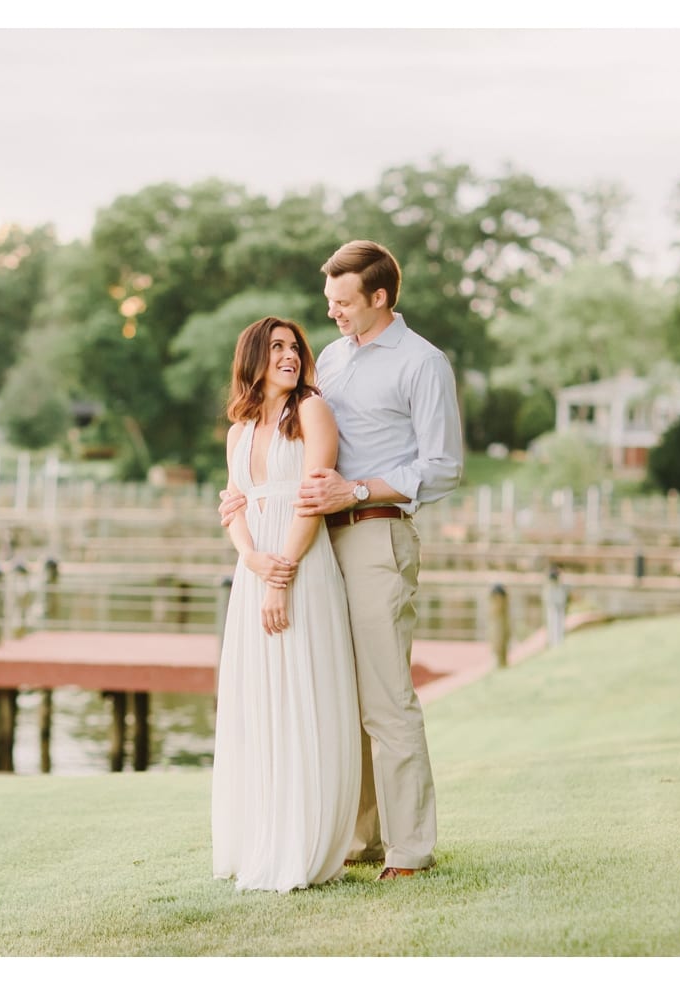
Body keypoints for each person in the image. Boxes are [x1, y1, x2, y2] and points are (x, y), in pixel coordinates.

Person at [220, 240, 464, 881]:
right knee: (334, 689)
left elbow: (443, 468)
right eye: (328, 302)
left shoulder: (422, 362)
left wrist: (355, 490)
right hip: (319, 538)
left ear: (379, 297)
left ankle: (410, 851)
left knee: (386, 698)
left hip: (376, 532)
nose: (330, 314)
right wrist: (249, 487)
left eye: (343, 302)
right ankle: (360, 836)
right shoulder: (330, 358)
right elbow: (298, 441)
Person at [211, 316, 362, 893]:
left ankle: (307, 841)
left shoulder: (312, 412)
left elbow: (314, 497)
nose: (290, 355)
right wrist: (251, 559)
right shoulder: (239, 431)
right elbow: (234, 505)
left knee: (304, 691)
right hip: (255, 570)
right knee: (259, 700)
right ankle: (259, 836)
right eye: (276, 347)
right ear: (252, 357)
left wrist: (282, 575)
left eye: (294, 347)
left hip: (300, 564)